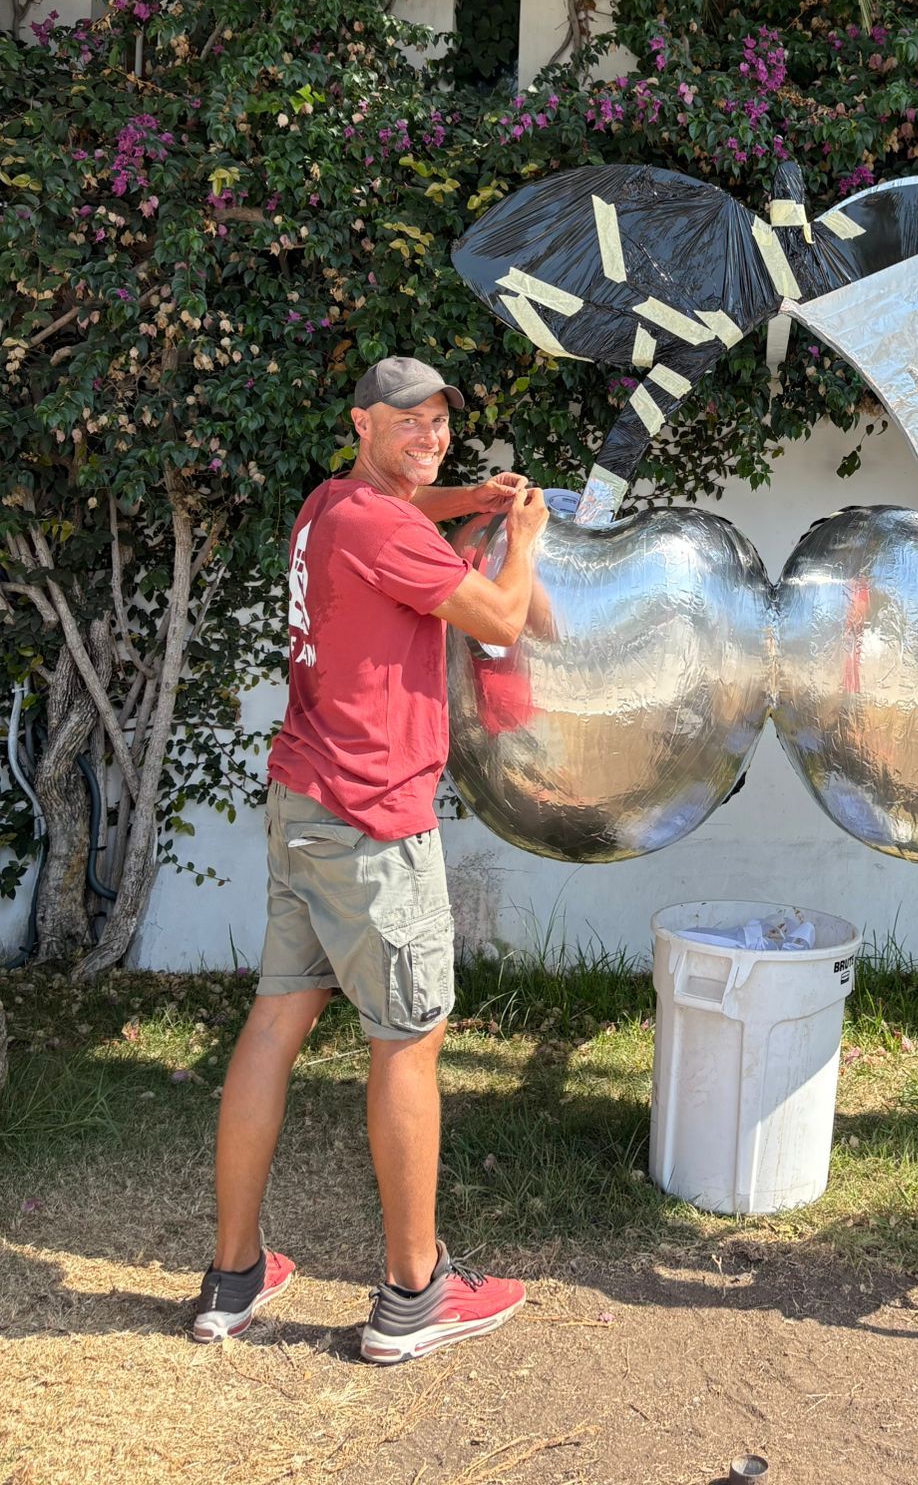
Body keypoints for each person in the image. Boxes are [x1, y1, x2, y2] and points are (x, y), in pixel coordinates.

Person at [192, 355, 549, 1361]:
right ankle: (413, 1295)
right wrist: (520, 534)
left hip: (304, 803)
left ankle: (233, 1275)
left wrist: (464, 496)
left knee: (276, 1021)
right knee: (409, 1036)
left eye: (439, 418)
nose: (428, 433)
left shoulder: (329, 504)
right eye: (407, 420)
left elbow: (403, 508)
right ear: (363, 419)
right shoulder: (384, 527)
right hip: (373, 820)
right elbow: (501, 617)